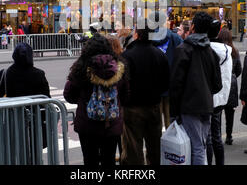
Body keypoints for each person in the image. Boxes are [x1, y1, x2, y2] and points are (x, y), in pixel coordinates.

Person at [64, 34, 129, 166]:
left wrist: (84, 102)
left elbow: (69, 94)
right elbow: (126, 95)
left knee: (90, 160)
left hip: (87, 124)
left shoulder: (81, 68)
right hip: (111, 123)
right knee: (109, 159)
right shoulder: (119, 67)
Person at [170, 12, 222, 165]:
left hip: (188, 106)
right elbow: (217, 84)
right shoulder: (211, 52)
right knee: (201, 144)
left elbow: (176, 84)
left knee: (196, 146)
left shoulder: (183, 49)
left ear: (192, 27)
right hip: (206, 105)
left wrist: (174, 112)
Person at [120, 27, 169, 165]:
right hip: (154, 106)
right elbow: (166, 83)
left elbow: (122, 83)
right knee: (154, 146)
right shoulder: (160, 54)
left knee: (133, 147)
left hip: (132, 107)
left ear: (136, 35)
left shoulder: (127, 55)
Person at [0, 42, 51, 154]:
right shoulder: (39, 74)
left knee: (15, 151)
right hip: (35, 119)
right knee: (35, 152)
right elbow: (47, 99)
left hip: (12, 119)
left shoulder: (5, 73)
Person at [150, 11, 183, 130]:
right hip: (172, 83)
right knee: (171, 122)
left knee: (155, 123)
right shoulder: (175, 38)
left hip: (154, 86)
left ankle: (156, 146)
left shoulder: (148, 38)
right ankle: (171, 146)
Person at [206, 19, 232, 165]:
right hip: (221, 97)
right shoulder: (227, 49)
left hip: (207, 96)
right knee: (216, 134)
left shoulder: (206, 49)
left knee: (208, 136)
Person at [218, 28, 242, 146]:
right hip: (231, 83)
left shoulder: (217, 50)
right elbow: (239, 70)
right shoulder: (235, 51)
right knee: (230, 113)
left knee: (217, 112)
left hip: (218, 82)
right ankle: (229, 136)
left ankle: (217, 135)